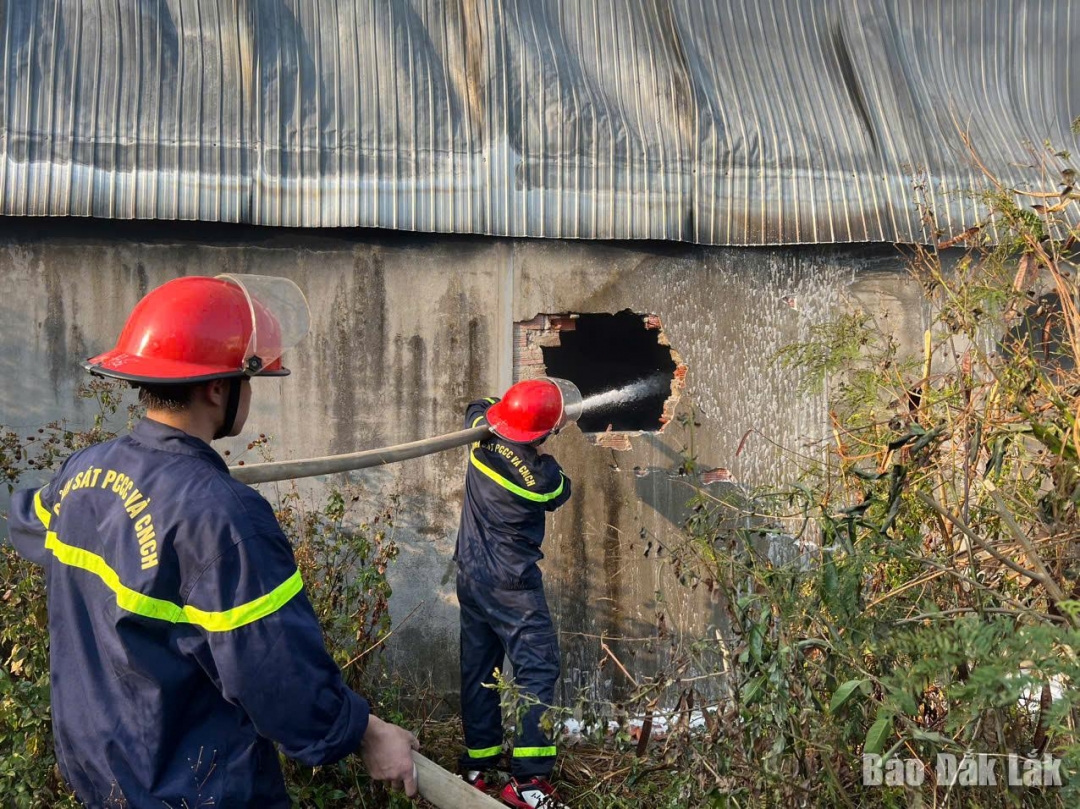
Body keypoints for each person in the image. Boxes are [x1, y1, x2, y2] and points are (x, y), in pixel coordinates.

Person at [5, 275, 419, 808]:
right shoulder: (225, 518)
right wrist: (364, 731)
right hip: (192, 787)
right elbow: (279, 680)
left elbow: (27, 521)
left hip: (102, 774)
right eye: (253, 380)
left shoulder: (84, 471)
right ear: (218, 388)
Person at [455, 379, 574, 808]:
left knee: (481, 670)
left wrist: (504, 411)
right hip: (513, 586)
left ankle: (478, 767)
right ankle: (529, 781)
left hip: (471, 577)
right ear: (539, 434)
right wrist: (544, 445)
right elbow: (562, 489)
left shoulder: (478, 438)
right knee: (538, 669)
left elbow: (477, 405)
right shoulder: (541, 477)